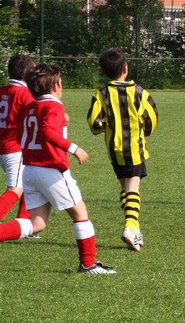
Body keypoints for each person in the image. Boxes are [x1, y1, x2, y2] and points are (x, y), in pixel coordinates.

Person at [0, 63, 114, 274]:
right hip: (50, 170)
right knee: (80, 213)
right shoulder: (54, 106)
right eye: (61, 83)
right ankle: (88, 264)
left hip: (30, 170)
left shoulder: (31, 107)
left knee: (36, 223)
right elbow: (47, 132)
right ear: (54, 86)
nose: (62, 86)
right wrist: (74, 148)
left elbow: (22, 134)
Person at [86, 47, 158, 252]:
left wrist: (105, 126)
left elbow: (94, 124)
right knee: (133, 187)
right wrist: (145, 130)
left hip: (114, 150)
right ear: (125, 68)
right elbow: (152, 119)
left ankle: (135, 231)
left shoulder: (101, 95)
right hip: (134, 148)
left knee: (126, 189)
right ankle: (130, 226)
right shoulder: (140, 93)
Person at [0, 54, 36, 227]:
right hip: (14, 147)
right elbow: (36, 116)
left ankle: (25, 221)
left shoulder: (2, 91)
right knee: (15, 189)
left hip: (3, 145)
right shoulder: (24, 94)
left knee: (28, 181)